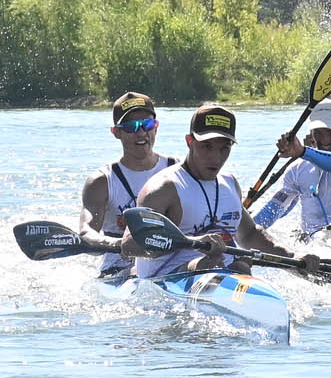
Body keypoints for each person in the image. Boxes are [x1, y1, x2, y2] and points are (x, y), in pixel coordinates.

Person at [135, 104, 318, 279]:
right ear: (189, 141)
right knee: (212, 265)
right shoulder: (163, 189)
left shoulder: (229, 184)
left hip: (223, 275)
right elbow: (130, 246)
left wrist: (293, 255)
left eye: (225, 148)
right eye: (207, 146)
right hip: (169, 280)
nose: (216, 157)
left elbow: (250, 235)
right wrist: (192, 240)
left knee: (241, 265)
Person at [78, 92, 176, 280]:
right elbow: (86, 231)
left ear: (156, 127)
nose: (141, 133)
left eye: (147, 125)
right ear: (116, 132)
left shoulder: (177, 170)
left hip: (171, 265)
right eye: (131, 127)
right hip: (118, 270)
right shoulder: (102, 181)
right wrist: (120, 244)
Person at [255, 101, 331, 238]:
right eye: (318, 132)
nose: (325, 139)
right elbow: (275, 210)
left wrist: (303, 152)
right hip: (313, 247)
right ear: (310, 131)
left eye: (329, 132)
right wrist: (244, 227)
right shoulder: (297, 169)